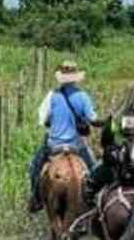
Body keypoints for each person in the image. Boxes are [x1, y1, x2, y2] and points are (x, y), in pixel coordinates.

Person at [26, 61, 100, 213]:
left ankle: (35, 198)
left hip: (54, 145)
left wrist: (52, 121)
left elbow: (43, 120)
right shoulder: (83, 97)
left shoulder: (52, 96)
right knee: (94, 168)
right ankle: (95, 201)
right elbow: (93, 119)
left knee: (34, 166)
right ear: (76, 78)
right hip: (77, 146)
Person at [83, 83, 134, 209]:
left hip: (119, 173)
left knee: (92, 182)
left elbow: (105, 143)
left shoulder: (117, 119)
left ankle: (88, 208)